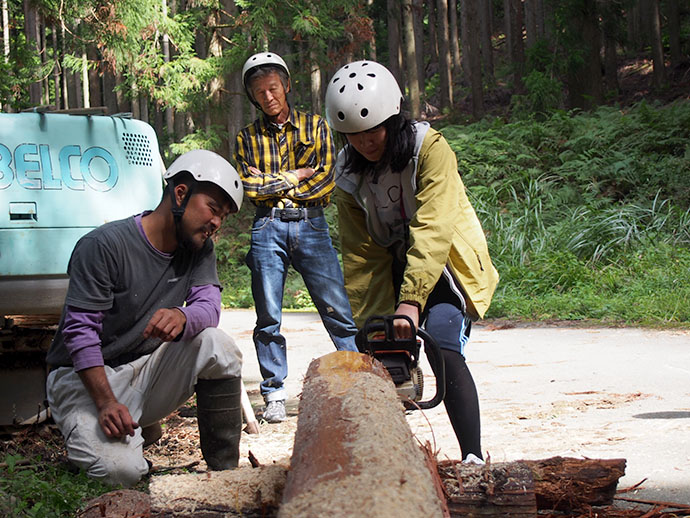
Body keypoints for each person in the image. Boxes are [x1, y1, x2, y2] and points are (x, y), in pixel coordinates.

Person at [325, 60, 499, 462]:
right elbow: (360, 252)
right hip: (391, 267)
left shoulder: (429, 149)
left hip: (443, 265)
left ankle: (472, 456)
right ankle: (387, 461)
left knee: (442, 342)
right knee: (383, 357)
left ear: (393, 118)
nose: (365, 143)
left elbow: (434, 227)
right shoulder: (348, 173)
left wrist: (411, 303)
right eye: (353, 136)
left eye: (372, 131)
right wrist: (371, 322)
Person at [45, 150, 245, 487]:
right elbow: (79, 333)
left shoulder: (199, 249)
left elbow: (209, 307)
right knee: (120, 472)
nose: (216, 223)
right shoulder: (103, 245)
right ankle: (109, 435)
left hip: (144, 369)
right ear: (180, 193)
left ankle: (225, 476)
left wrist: (183, 315)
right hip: (84, 380)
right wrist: (106, 401)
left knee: (217, 345)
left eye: (223, 216)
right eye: (213, 208)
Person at [233, 51, 358, 423]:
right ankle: (274, 393)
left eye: (273, 88)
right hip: (266, 227)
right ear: (253, 97)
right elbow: (249, 189)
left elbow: (325, 179)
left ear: (286, 85)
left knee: (334, 304)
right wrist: (294, 175)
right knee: (268, 314)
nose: (268, 97)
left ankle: (356, 376)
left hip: (312, 224)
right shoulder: (246, 138)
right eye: (260, 92)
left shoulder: (316, 126)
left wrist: (282, 181)